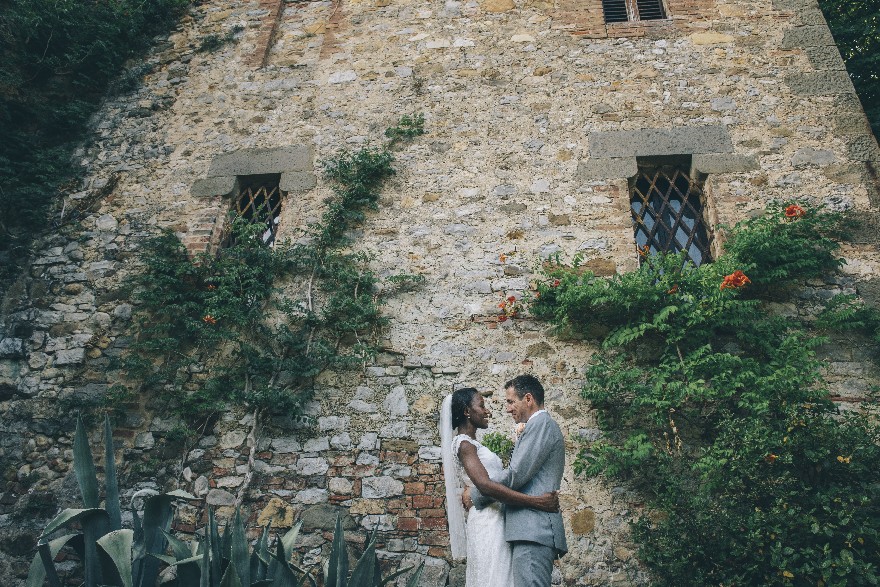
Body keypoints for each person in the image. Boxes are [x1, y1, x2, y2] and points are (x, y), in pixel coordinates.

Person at [440, 387, 559, 587]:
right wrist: (535, 502)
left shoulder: (475, 444)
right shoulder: (464, 445)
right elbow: (486, 486)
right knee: (494, 578)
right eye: (482, 405)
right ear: (467, 412)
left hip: (498, 518)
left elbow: (502, 478)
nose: (488, 411)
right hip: (488, 520)